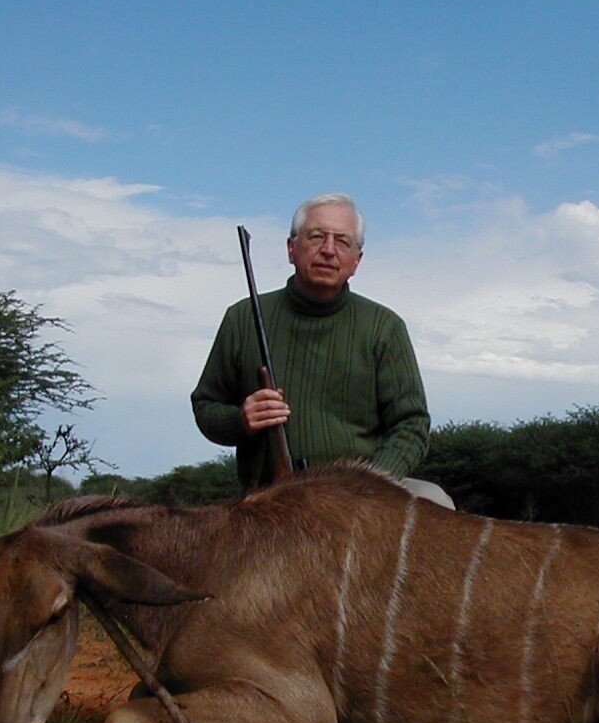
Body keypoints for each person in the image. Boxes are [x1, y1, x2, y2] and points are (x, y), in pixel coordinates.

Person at [192, 193, 453, 507]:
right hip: (267, 498)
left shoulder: (385, 326)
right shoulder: (242, 317)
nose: (328, 250)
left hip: (363, 495)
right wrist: (241, 420)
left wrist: (369, 483)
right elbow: (206, 406)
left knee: (437, 502)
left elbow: (411, 425)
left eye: (342, 242)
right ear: (292, 249)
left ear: (357, 261)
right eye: (316, 237)